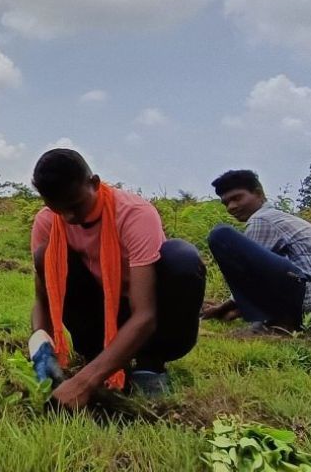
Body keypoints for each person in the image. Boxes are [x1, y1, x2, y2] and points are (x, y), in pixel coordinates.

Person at [28, 149, 205, 407]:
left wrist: (83, 383)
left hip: (145, 318)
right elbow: (43, 300)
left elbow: (144, 314)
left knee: (182, 258)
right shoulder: (48, 223)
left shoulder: (133, 214)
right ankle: (97, 356)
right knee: (48, 256)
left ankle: (150, 364)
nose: (69, 217)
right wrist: (41, 352)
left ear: (94, 183)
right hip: (95, 320)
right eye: (57, 208)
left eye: (76, 205)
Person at [203, 169, 311, 334]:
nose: (231, 207)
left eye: (237, 198)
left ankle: (279, 324)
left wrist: (225, 307)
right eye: (226, 203)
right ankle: (269, 321)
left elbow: (250, 275)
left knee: (221, 235)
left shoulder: (262, 220)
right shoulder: (277, 217)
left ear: (259, 194)